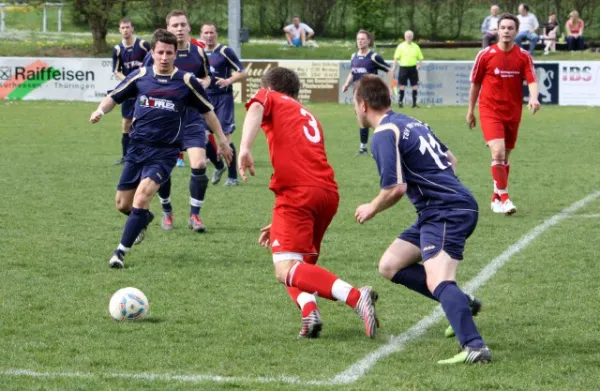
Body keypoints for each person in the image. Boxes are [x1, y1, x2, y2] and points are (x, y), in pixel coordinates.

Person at [353, 74, 490, 364]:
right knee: (390, 265)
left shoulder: (382, 134)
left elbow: (395, 189)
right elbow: (451, 160)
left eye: (354, 105)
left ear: (363, 105)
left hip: (445, 211)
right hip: (439, 209)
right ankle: (462, 303)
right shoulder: (410, 122)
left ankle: (474, 347)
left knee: (440, 280)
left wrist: (371, 207)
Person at [238, 67, 379, 339]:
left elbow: (256, 106)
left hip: (298, 195)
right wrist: (279, 221)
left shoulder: (270, 97)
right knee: (299, 267)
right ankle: (309, 312)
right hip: (325, 194)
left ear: (270, 87)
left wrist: (244, 147)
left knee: (286, 269)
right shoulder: (307, 115)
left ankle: (355, 297)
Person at [89, 29, 232, 269]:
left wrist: (223, 140)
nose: (164, 57)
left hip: (165, 153)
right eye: (160, 52)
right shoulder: (141, 76)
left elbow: (208, 111)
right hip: (137, 149)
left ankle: (119, 253)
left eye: (169, 52)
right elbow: (114, 96)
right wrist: (100, 111)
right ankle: (143, 218)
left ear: (176, 54)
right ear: (153, 53)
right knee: (123, 205)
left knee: (143, 195)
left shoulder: (187, 81)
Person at [143, 10, 232, 232]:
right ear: (168, 28)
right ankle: (167, 212)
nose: (179, 29)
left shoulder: (198, 52)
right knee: (164, 167)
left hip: (192, 116)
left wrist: (203, 81)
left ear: (189, 27)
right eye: (175, 25)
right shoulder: (157, 52)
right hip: (165, 118)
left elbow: (207, 76)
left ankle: (195, 216)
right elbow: (143, 81)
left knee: (200, 163)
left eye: (183, 24)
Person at [467, 13, 540, 215]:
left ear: (516, 31)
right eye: (503, 27)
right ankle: (505, 198)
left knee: (505, 156)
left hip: (513, 111)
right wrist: (470, 110)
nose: (506, 31)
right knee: (497, 152)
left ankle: (495, 197)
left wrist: (534, 98)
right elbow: (475, 84)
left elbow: (532, 80)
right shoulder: (485, 55)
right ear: (497, 30)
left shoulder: (524, 56)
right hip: (490, 110)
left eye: (510, 28)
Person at [201, 22, 247, 187]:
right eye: (205, 32)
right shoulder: (200, 53)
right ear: (201, 34)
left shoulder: (224, 51)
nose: (208, 35)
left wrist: (228, 80)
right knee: (202, 135)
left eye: (211, 32)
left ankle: (233, 177)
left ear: (216, 33)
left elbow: (242, 72)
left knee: (225, 139)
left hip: (223, 99)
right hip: (205, 98)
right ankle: (219, 166)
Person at [342, 30, 392, 155]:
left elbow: (389, 70)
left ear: (369, 41)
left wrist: (390, 88)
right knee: (361, 119)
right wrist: (346, 84)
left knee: (375, 119)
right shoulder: (354, 56)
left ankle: (382, 145)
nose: (360, 41)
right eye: (358, 39)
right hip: (357, 93)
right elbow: (353, 72)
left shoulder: (373, 57)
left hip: (371, 93)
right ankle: (363, 148)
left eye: (363, 39)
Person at [111, 18, 150, 165]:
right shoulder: (118, 49)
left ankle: (145, 153)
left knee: (143, 121)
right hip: (129, 90)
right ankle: (126, 156)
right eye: (123, 28)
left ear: (132, 28)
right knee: (126, 122)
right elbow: (116, 71)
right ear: (119, 30)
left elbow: (152, 62)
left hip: (143, 88)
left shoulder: (143, 45)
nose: (125, 30)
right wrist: (128, 80)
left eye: (128, 27)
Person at [392, 30, 424, 109]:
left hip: (413, 68)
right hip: (403, 68)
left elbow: (420, 58)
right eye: (407, 36)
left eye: (410, 36)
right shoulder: (401, 46)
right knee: (402, 86)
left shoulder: (416, 46)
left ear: (412, 37)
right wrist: (393, 68)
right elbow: (396, 58)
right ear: (405, 37)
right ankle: (400, 103)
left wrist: (419, 65)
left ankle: (414, 104)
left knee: (414, 85)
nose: (409, 38)